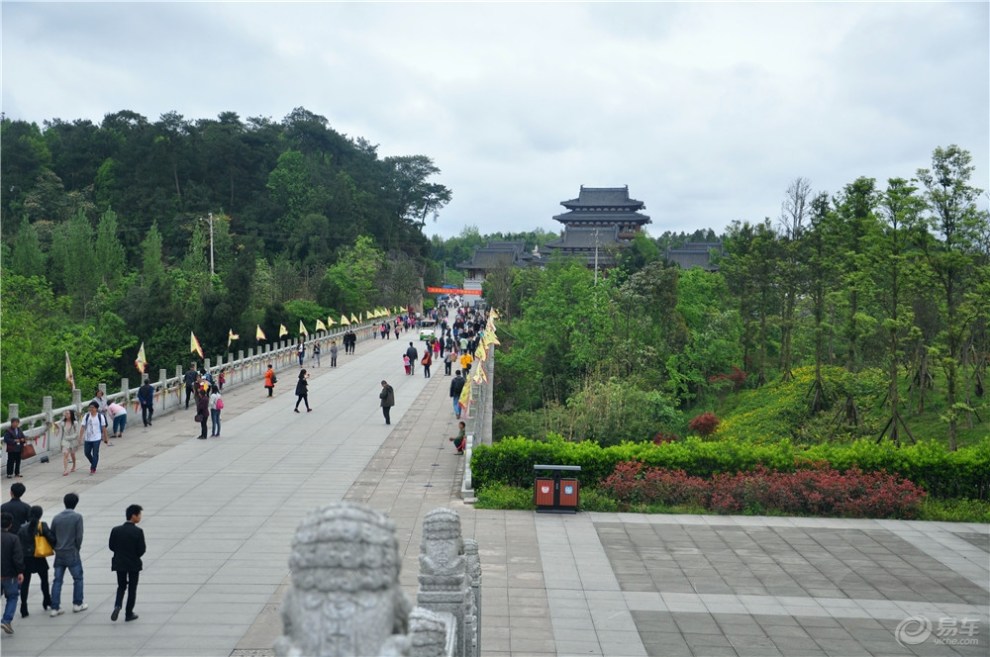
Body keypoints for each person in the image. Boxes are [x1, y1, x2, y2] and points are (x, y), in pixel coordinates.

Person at [49, 492, 86, 616]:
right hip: (72, 552)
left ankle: (55, 607)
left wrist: (56, 547)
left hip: (59, 553)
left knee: (57, 580)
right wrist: (77, 548)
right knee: (78, 578)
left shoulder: (57, 517)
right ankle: (77, 603)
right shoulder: (77, 517)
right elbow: (79, 536)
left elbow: (51, 534)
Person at [108, 504, 145, 622]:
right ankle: (129, 613)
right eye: (139, 515)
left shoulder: (116, 530)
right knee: (132, 589)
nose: (140, 517)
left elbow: (111, 546)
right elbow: (141, 549)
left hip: (119, 563)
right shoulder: (138, 532)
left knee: (121, 586)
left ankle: (117, 605)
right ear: (133, 516)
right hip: (133, 564)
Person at [18, 505, 53, 617]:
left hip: (26, 558)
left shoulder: (22, 528)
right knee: (44, 580)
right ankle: (47, 600)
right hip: (39, 557)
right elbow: (51, 538)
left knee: (25, 583)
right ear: (40, 515)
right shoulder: (42, 526)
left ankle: (24, 606)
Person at [1, 512, 24, 635]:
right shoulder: (13, 538)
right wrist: (20, 571)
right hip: (9, 575)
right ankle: (6, 620)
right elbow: (17, 557)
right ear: (10, 525)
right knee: (12, 597)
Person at [78, 402, 108, 476]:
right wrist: (80, 437)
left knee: (95, 453)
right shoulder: (87, 416)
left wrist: (105, 438)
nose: (91, 409)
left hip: (97, 438)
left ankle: (93, 468)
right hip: (88, 438)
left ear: (96, 408)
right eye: (90, 407)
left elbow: (104, 428)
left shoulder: (100, 417)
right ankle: (94, 463)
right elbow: (82, 427)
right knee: (87, 453)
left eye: (92, 407)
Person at [55, 410, 79, 476]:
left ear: (71, 414)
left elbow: (76, 433)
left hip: (72, 440)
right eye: (65, 413)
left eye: (68, 413)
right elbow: (58, 429)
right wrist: (56, 428)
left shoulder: (75, 423)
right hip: (65, 440)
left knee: (72, 454)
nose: (66, 414)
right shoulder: (63, 423)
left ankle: (74, 465)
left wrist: (71, 437)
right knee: (65, 454)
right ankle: (66, 470)